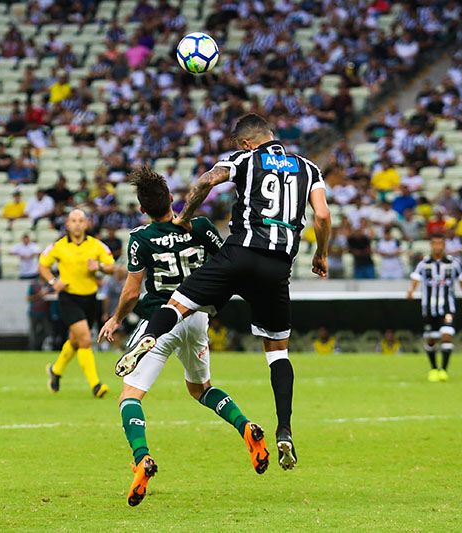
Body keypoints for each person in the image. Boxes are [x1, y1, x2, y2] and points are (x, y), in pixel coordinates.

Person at [115, 114, 331, 470]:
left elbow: (206, 181)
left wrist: (185, 215)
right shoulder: (309, 168)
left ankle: (150, 335)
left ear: (246, 143)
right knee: (278, 352)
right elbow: (321, 216)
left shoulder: (243, 159)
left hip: (240, 252)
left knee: (179, 303)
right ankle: (285, 431)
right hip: (278, 266)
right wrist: (321, 254)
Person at [97, 167, 269, 506]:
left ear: (143, 208)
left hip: (160, 319)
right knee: (200, 389)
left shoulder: (141, 237)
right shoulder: (201, 226)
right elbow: (226, 262)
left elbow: (132, 291)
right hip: (196, 316)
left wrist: (116, 318)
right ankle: (246, 427)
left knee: (129, 396)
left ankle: (142, 458)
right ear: (172, 199)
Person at [40, 209, 115, 398]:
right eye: (73, 220)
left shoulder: (96, 245)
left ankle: (56, 371)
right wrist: (53, 282)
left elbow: (112, 267)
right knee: (85, 340)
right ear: (67, 224)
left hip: (90, 299)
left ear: (87, 223)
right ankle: (96, 385)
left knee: (75, 341)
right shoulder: (58, 246)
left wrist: (99, 267)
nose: (77, 224)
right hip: (69, 298)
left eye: (81, 220)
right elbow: (42, 265)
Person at [408, 234, 462, 382]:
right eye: (434, 243)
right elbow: (415, 279)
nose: (437, 246)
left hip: (447, 309)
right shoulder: (424, 264)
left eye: (440, 243)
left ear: (444, 245)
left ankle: (444, 370)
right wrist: (411, 291)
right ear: (431, 245)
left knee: (447, 335)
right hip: (429, 309)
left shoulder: (453, 264)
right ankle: (434, 368)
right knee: (431, 339)